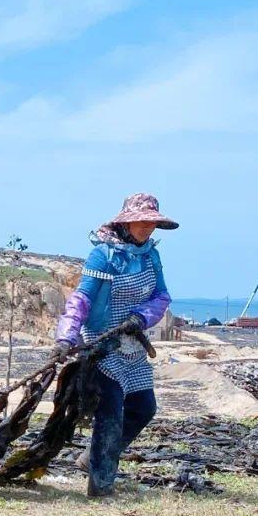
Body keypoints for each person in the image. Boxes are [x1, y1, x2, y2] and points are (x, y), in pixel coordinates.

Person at [53, 193, 177, 497]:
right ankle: (101, 485)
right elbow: (81, 300)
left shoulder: (151, 255)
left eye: (153, 222)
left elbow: (161, 297)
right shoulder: (103, 255)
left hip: (132, 345)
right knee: (110, 415)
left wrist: (141, 317)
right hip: (101, 344)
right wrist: (66, 338)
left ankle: (91, 459)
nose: (148, 227)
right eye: (142, 221)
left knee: (144, 408)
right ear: (127, 221)